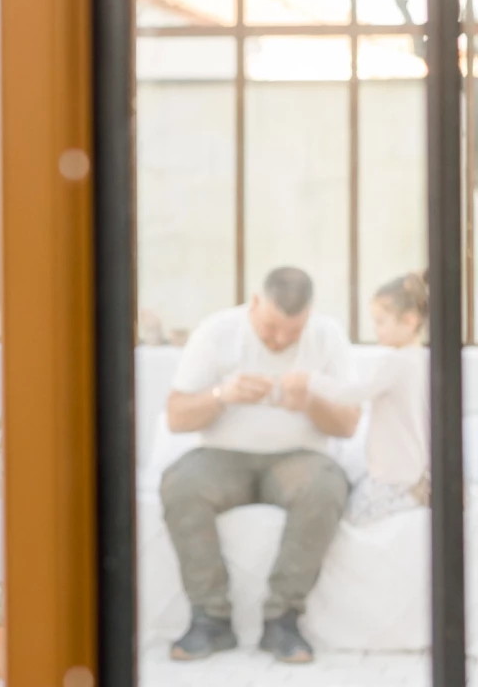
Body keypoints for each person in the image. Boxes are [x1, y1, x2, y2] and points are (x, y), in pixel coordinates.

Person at [160, 267, 360, 663]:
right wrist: (223, 395)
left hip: (299, 458)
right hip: (222, 456)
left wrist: (311, 402)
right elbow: (176, 417)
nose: (280, 340)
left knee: (326, 486)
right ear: (254, 303)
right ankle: (210, 618)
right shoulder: (216, 331)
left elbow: (349, 424)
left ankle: (283, 619)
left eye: (293, 331)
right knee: (180, 484)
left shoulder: (327, 335)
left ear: (309, 315)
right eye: (271, 328)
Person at [308, 271, 429, 526]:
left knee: (350, 520)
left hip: (392, 473)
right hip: (408, 467)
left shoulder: (395, 363)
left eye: (381, 322)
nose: (376, 330)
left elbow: (352, 394)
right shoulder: (420, 359)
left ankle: (412, 498)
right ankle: (414, 493)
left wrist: (311, 380)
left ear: (409, 321)